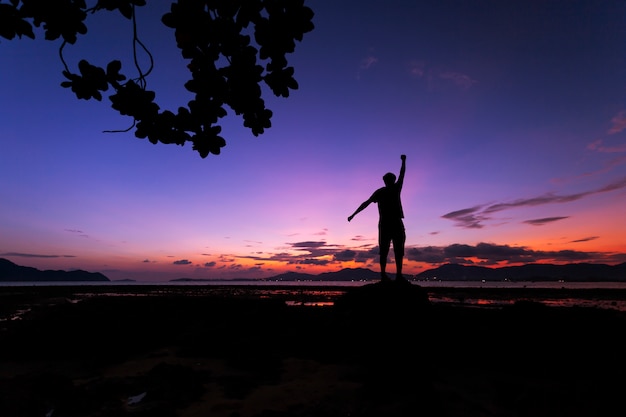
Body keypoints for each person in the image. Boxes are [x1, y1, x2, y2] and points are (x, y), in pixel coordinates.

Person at [348, 155, 407, 282]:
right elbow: (366, 203)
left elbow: (402, 174)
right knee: (384, 249)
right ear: (386, 181)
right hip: (386, 224)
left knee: (398, 249)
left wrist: (403, 161)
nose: (389, 182)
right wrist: (354, 214)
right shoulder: (380, 192)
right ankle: (384, 275)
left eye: (390, 180)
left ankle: (398, 275)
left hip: (395, 222)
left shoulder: (394, 189)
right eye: (388, 180)